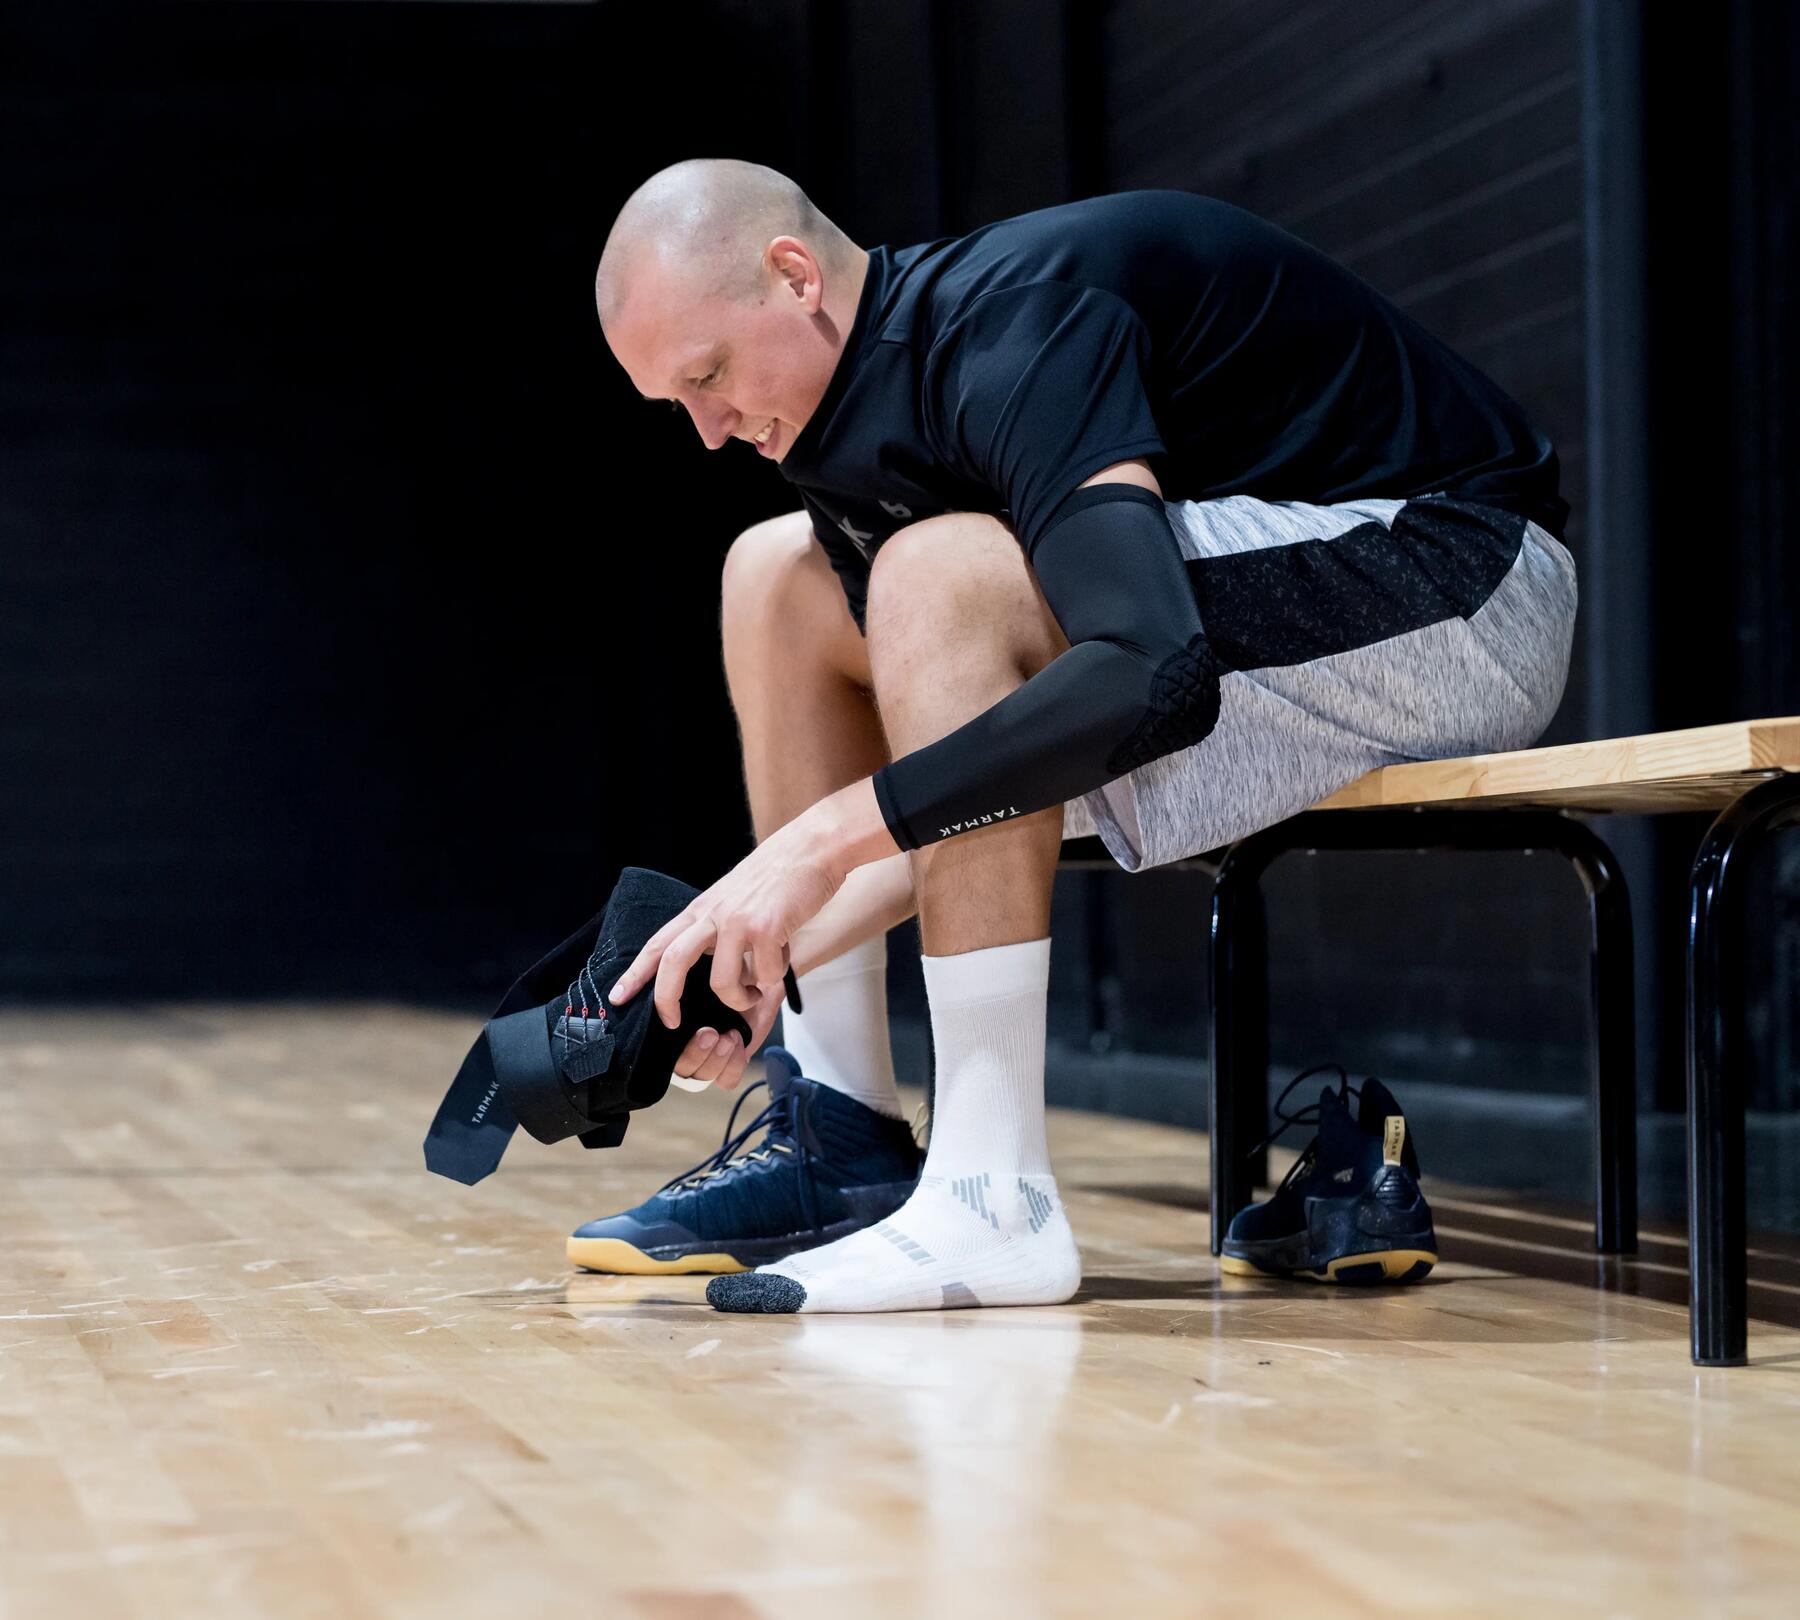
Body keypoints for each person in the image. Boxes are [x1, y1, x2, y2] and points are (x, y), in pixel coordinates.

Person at [576, 158, 1576, 1315]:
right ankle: (838, 1129)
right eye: (675, 405)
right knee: (776, 577)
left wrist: (808, 855)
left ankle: (992, 1201)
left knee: (940, 574)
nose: (706, 430)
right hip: (1272, 602)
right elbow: (966, 760)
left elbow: (1150, 669)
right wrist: (753, 952)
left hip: (1463, 582)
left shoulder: (1018, 329)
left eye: (708, 376)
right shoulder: (839, 426)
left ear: (794, 277)